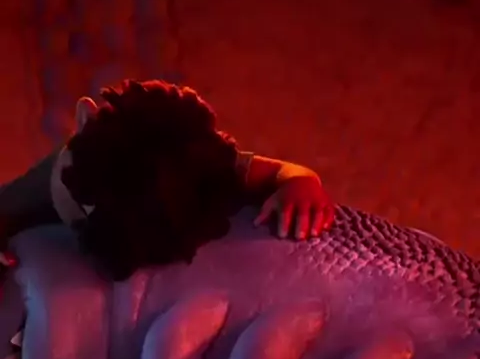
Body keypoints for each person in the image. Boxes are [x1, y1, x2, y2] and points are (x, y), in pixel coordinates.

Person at [0, 79, 335, 281]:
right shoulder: (58, 177)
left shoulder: (202, 172)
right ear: (85, 117)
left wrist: (300, 184)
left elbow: (283, 173)